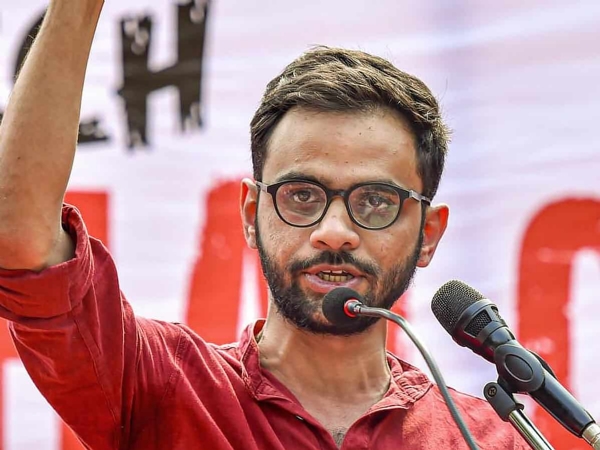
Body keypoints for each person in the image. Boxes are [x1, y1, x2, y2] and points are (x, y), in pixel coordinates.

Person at [0, 1, 529, 449]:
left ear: (428, 234)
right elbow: (21, 240)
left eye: (375, 201)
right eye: (302, 196)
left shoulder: (486, 437)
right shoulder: (163, 383)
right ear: (251, 214)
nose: (335, 231)